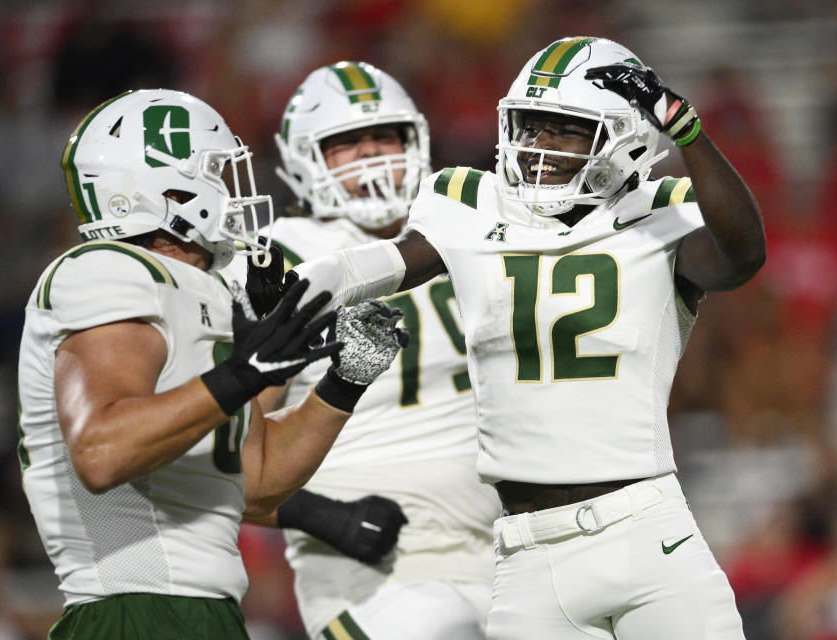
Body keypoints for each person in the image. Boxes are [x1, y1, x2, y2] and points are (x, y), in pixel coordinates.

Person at [290, 37, 767, 639]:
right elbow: (387, 261)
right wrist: (302, 284)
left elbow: (742, 255)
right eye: (530, 127)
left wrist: (689, 133)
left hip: (648, 533)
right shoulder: (468, 201)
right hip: (526, 552)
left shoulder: (661, 212)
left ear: (627, 141)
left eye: (563, 131)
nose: (537, 149)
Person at [17, 89, 407, 640]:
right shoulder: (106, 268)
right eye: (215, 173)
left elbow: (255, 483)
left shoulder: (201, 291)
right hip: (134, 611)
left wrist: (344, 381)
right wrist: (245, 372)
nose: (229, 190)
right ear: (162, 188)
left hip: (203, 613)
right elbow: (102, 451)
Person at [233, 61, 502, 640]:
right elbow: (227, 448)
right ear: (305, 160)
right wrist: (319, 516)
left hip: (509, 547)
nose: (374, 155)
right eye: (347, 144)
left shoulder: (467, 230)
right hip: (373, 567)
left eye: (386, 137)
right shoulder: (283, 257)